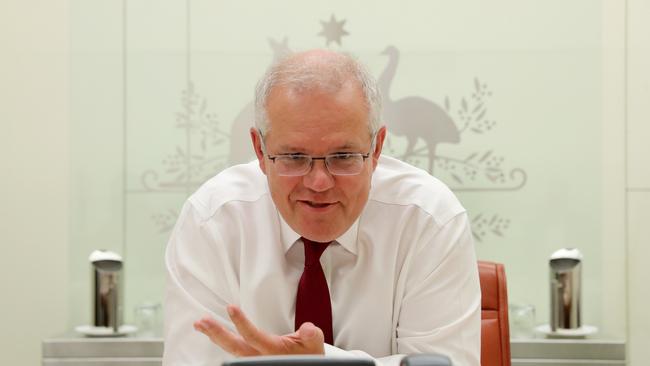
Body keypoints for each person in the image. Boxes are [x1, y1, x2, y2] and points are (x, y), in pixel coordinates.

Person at [163, 49, 481, 366]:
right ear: (260, 150)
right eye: (294, 158)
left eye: (343, 157)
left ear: (376, 149)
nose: (318, 182)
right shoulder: (212, 222)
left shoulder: (428, 219)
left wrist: (320, 360)